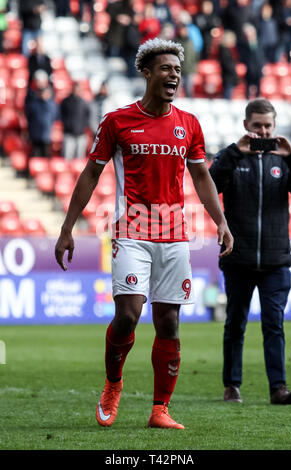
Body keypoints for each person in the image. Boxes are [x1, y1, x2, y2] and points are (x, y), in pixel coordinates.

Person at [54, 38, 233, 429]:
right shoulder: (118, 121)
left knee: (169, 322)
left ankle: (159, 409)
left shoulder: (189, 124)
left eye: (178, 70)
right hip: (131, 231)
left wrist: (220, 221)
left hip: (175, 234)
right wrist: (67, 228)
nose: (174, 75)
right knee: (129, 315)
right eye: (167, 68)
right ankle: (113, 384)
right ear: (147, 72)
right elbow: (90, 173)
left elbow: (201, 176)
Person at [209, 98, 291, 406]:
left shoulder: (284, 160)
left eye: (268, 126)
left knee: (274, 324)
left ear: (274, 127)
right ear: (246, 125)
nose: (263, 131)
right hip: (238, 259)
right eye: (257, 125)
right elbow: (209, 183)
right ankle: (231, 386)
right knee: (235, 323)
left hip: (276, 260)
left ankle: (278, 388)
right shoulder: (232, 157)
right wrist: (236, 152)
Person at [25, 69, 57, 158]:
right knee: (36, 154)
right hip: (35, 133)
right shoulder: (33, 102)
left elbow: (54, 115)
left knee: (46, 155)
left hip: (46, 133)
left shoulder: (50, 103)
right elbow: (30, 114)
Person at [60, 81, 90, 160]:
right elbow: (61, 115)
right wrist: (67, 125)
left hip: (80, 134)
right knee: (67, 158)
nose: (77, 91)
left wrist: (83, 127)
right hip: (68, 134)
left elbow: (87, 117)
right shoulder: (65, 101)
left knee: (79, 159)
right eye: (75, 89)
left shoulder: (84, 103)